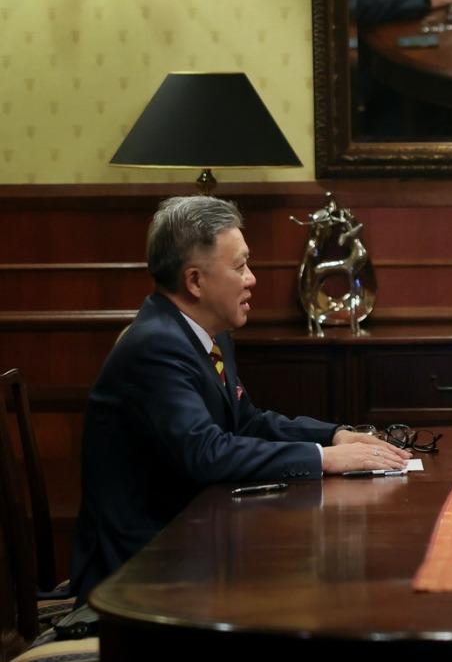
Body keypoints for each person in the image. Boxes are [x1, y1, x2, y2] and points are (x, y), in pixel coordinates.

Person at [69, 196, 411, 604]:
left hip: (193, 544)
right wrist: (322, 459)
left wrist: (334, 436)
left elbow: (247, 421)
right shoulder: (156, 346)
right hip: (141, 571)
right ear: (195, 281)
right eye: (240, 266)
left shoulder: (207, 335)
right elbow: (205, 453)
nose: (252, 279)